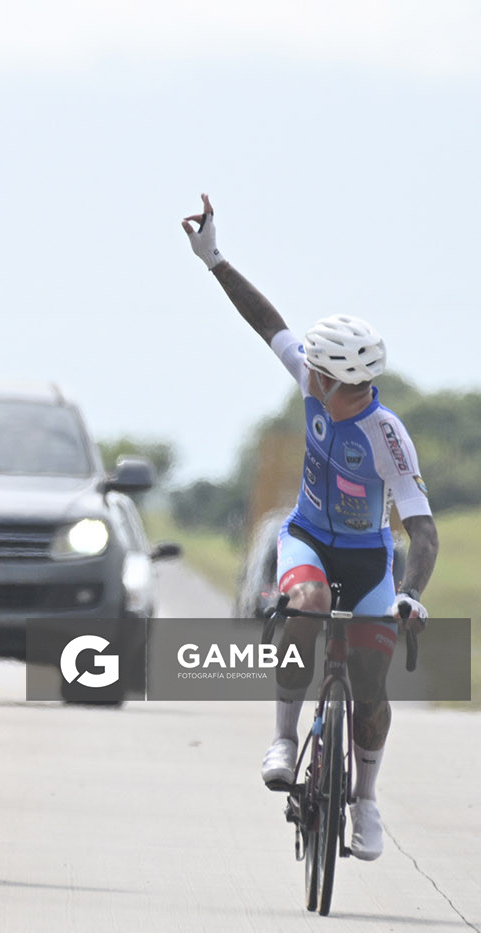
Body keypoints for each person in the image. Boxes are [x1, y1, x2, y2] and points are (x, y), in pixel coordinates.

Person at [182, 194, 438, 861]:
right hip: (307, 539)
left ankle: (368, 799)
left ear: (340, 380)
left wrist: (408, 592)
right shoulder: (310, 378)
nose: (306, 371)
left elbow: (423, 531)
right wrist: (215, 260)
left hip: (370, 560)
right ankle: (285, 736)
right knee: (309, 603)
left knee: (373, 688)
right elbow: (266, 320)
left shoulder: (388, 437)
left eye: (317, 370)